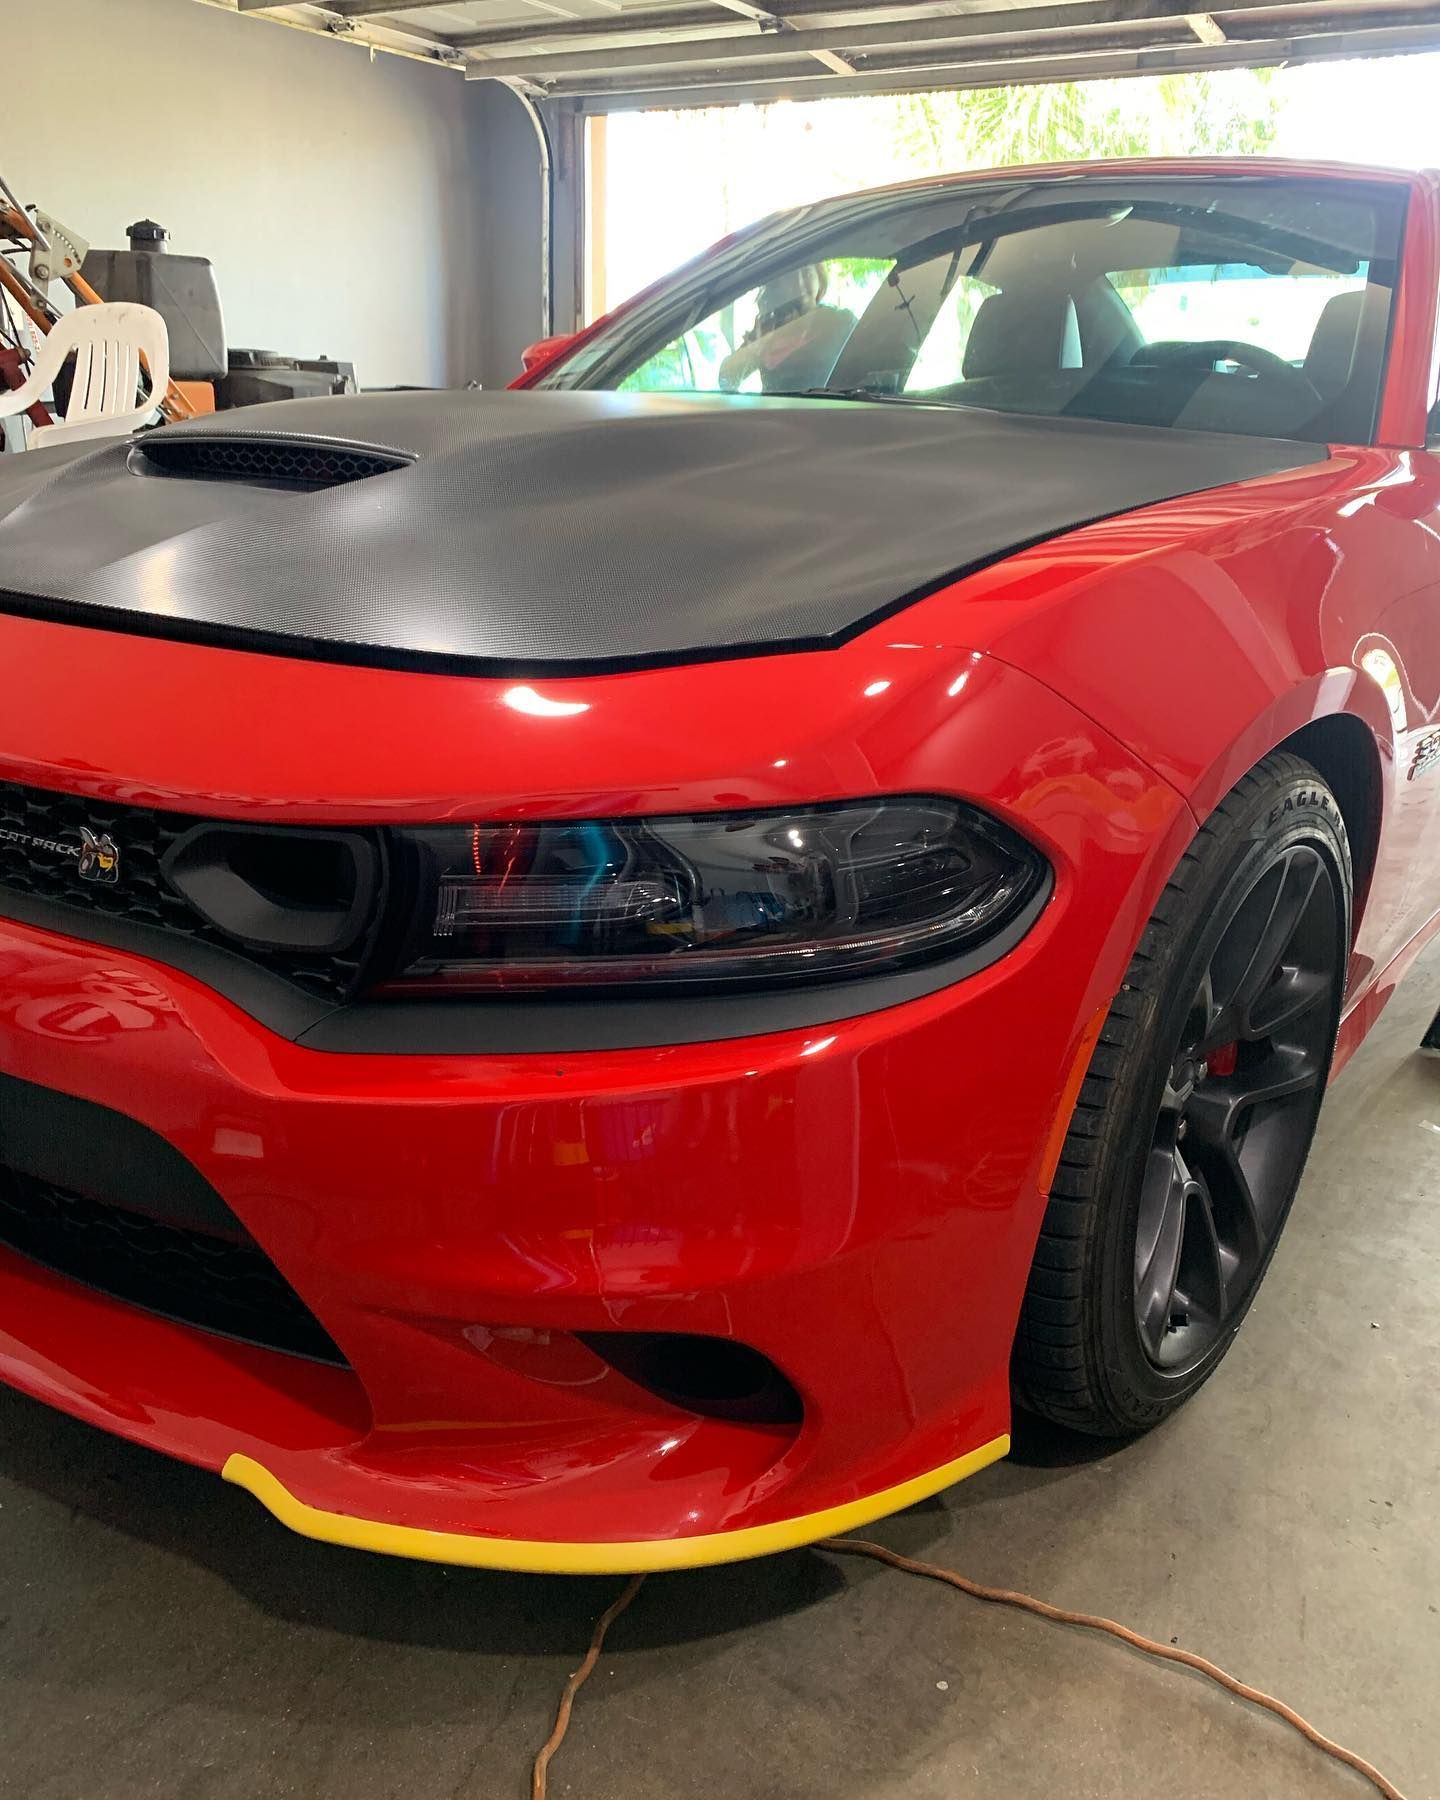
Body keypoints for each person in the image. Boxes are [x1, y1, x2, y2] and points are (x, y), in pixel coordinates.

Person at [718, 265, 856, 394]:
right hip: (775, 417)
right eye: (791, 277)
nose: (800, 285)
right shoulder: (768, 327)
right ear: (776, 284)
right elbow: (726, 378)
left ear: (820, 279)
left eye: (807, 274)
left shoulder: (841, 323)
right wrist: (755, 349)